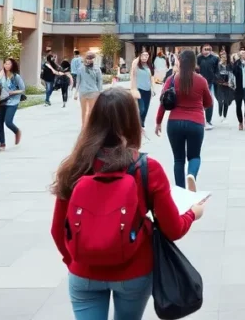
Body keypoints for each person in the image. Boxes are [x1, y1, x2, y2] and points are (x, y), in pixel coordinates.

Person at [51, 88, 205, 320]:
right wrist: (193, 213)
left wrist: (73, 262)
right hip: (133, 271)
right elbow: (172, 229)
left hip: (84, 272)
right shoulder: (147, 167)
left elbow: (57, 230)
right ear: (133, 121)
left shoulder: (76, 166)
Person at [155, 49, 213, 189]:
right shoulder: (201, 80)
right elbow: (208, 103)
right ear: (194, 63)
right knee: (194, 156)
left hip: (174, 123)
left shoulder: (172, 79)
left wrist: (158, 122)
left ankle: (180, 190)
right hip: (195, 123)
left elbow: (164, 102)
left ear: (179, 62)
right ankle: (191, 174)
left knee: (178, 160)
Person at [0, 57, 25, 153]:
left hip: (13, 101)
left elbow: (23, 89)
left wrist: (13, 92)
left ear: (12, 65)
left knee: (8, 122)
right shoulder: (1, 75)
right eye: (5, 63)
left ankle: (16, 131)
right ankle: (2, 144)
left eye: (9, 64)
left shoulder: (16, 77)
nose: (6, 65)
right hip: (3, 100)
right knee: (0, 123)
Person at [196, 43, 219, 131]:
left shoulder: (215, 58)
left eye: (208, 49)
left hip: (210, 83)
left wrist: (215, 79)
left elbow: (217, 70)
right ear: (201, 50)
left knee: (209, 102)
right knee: (199, 102)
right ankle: (200, 119)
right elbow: (196, 70)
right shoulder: (198, 58)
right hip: (200, 83)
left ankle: (208, 121)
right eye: (205, 49)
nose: (207, 51)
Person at [76, 52, 104, 126]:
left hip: (93, 92)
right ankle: (83, 126)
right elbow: (78, 81)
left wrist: (99, 91)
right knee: (83, 111)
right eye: (88, 58)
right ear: (85, 59)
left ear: (93, 59)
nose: (89, 60)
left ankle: (89, 126)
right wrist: (75, 93)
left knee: (91, 111)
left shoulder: (97, 69)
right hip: (83, 92)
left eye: (91, 58)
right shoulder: (80, 68)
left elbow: (100, 80)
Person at [130, 50, 154, 129]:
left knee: (146, 109)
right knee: (142, 108)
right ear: (139, 56)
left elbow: (151, 78)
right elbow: (132, 73)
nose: (145, 57)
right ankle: (137, 123)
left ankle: (141, 123)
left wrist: (153, 89)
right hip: (139, 90)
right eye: (143, 55)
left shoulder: (149, 66)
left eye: (147, 56)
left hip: (148, 90)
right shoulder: (136, 65)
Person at [214, 50, 234, 122]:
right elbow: (216, 75)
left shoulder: (230, 65)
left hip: (228, 85)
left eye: (225, 57)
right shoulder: (218, 65)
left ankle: (225, 115)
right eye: (222, 57)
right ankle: (220, 114)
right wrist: (219, 64)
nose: (224, 58)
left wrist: (230, 82)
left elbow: (232, 74)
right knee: (220, 100)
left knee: (226, 101)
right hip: (220, 85)